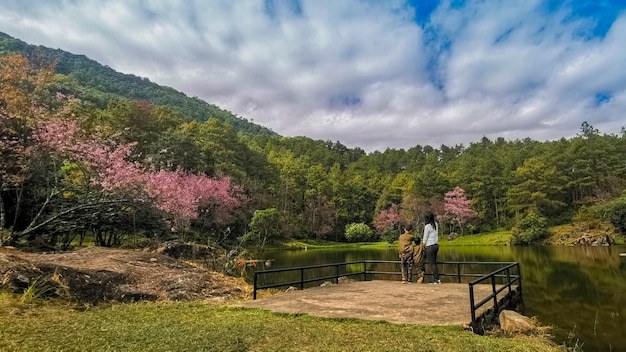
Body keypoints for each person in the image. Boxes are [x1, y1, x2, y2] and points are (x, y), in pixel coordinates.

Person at [423, 213, 440, 284]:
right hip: (435, 245)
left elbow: (425, 237)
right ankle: (437, 279)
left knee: (432, 264)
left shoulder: (427, 226)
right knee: (434, 263)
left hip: (430, 246)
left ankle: (436, 279)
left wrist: (423, 245)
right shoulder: (435, 224)